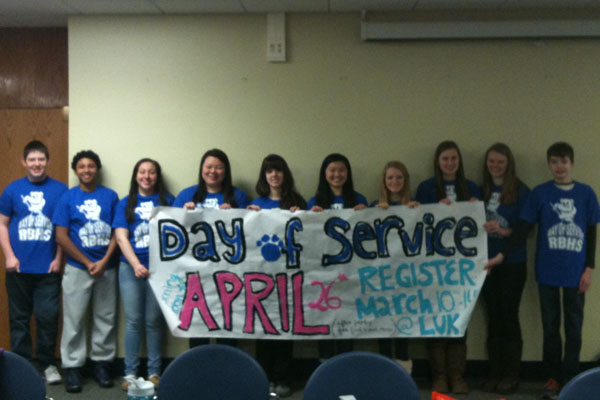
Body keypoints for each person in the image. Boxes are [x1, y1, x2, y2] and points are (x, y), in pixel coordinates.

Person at [487, 142, 599, 400]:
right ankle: (552, 379)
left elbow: (592, 232)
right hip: (547, 271)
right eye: (554, 162)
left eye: (564, 161)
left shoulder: (586, 193)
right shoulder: (540, 193)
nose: (559, 167)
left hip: (576, 273)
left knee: (574, 326)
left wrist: (589, 268)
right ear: (549, 164)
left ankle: (571, 378)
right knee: (550, 327)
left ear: (572, 163)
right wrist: (501, 255)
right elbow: (523, 229)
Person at [415, 140, 480, 394]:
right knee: (435, 318)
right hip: (433, 265)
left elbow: (479, 226)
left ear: (459, 161)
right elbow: (417, 221)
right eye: (445, 159)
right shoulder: (426, 188)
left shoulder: (471, 187)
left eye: (454, 159)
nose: (450, 163)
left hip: (462, 267)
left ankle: (457, 375)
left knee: (458, 317)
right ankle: (439, 375)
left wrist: (476, 207)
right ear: (438, 162)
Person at [0, 140, 67, 384]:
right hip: (18, 268)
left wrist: (58, 259)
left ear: (47, 161)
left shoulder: (60, 190)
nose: (36, 164)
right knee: (19, 318)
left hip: (48, 268)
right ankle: (22, 367)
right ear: (24, 162)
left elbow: (63, 228)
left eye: (41, 159)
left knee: (47, 316)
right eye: (32, 160)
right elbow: (2, 223)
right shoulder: (12, 190)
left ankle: (48, 363)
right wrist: (9, 255)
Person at [53, 150, 119, 393]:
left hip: (107, 268)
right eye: (81, 166)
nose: (86, 170)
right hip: (77, 268)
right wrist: (87, 261)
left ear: (97, 169)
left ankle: (102, 364)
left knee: (106, 318)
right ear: (75, 170)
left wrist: (103, 261)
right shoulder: (67, 198)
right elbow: (61, 235)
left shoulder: (110, 196)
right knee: (74, 319)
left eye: (91, 166)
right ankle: (72, 367)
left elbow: (117, 232)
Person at [174, 148, 249, 348]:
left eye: (218, 167)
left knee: (229, 318)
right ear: (201, 169)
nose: (213, 171)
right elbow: (171, 230)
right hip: (195, 272)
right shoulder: (187, 195)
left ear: (226, 171)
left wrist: (236, 213)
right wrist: (183, 214)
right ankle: (199, 371)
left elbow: (249, 230)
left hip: (229, 270)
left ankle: (228, 369)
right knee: (198, 320)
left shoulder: (238, 196)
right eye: (209, 166)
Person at [247, 154, 306, 398]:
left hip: (290, 279)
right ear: (264, 176)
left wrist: (301, 215)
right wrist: (248, 216)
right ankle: (264, 377)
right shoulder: (257, 203)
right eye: (269, 171)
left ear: (285, 174)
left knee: (285, 328)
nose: (274, 175)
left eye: (278, 170)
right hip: (261, 280)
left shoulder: (296, 201)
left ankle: (282, 378)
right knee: (263, 329)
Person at [113, 159, 174, 391]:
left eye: (151, 172)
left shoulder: (169, 200)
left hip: (160, 270)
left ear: (157, 176)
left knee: (154, 321)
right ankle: (129, 374)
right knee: (133, 321)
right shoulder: (125, 203)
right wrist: (136, 263)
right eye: (142, 171)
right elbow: (121, 237)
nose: (146, 176)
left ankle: (154, 372)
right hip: (130, 267)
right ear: (135, 175)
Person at [479, 143, 530, 394]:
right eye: (491, 161)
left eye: (500, 161)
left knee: (509, 315)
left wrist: (502, 233)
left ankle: (511, 375)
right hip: (485, 265)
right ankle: (495, 372)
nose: (495, 166)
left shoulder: (521, 190)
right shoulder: (481, 190)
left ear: (508, 163)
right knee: (493, 316)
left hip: (512, 263)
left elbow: (524, 230)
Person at [307, 153, 367, 360]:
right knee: (324, 319)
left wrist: (366, 214)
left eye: (341, 170)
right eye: (332, 170)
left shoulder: (359, 200)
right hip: (322, 273)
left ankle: (345, 364)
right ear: (324, 174)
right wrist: (309, 216)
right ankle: (324, 368)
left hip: (349, 274)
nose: (337, 174)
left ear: (347, 173)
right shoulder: (314, 202)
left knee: (347, 318)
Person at [371, 161, 418, 375]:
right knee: (383, 325)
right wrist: (370, 213)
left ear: (405, 181)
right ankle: (383, 372)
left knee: (403, 325)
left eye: (399, 177)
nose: (394, 181)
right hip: (381, 276)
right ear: (384, 181)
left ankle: (403, 372)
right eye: (390, 177)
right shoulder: (374, 208)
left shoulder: (416, 208)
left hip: (406, 277)